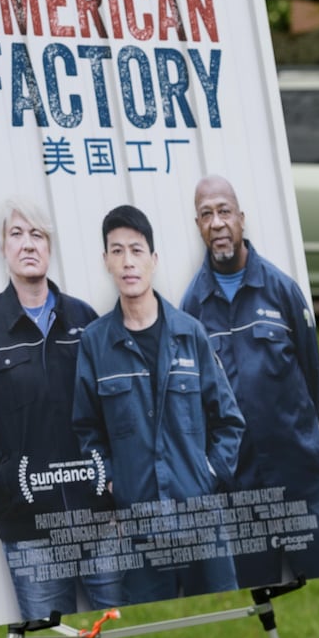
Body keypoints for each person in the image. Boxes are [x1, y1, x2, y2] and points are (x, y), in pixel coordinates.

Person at [0, 198, 120, 622]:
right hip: (31, 533)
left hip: (99, 524)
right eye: (17, 234)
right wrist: (14, 483)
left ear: (50, 247)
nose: (28, 244)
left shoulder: (86, 321)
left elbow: (116, 410)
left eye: (38, 235)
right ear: (3, 249)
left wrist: (113, 476)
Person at [179, 175, 319, 587]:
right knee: (260, 598)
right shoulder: (191, 309)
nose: (217, 222)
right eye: (206, 214)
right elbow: (192, 401)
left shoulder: (282, 292)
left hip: (299, 479)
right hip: (239, 490)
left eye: (224, 211)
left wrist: (296, 436)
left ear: (241, 218)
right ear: (198, 226)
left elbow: (313, 378)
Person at [73, 203, 243, 604]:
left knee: (223, 630)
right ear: (106, 262)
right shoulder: (96, 344)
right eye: (117, 251)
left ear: (153, 260)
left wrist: (208, 472)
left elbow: (230, 421)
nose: (128, 262)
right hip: (139, 531)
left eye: (136, 250)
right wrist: (114, 479)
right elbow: (86, 430)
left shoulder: (190, 333)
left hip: (203, 525)